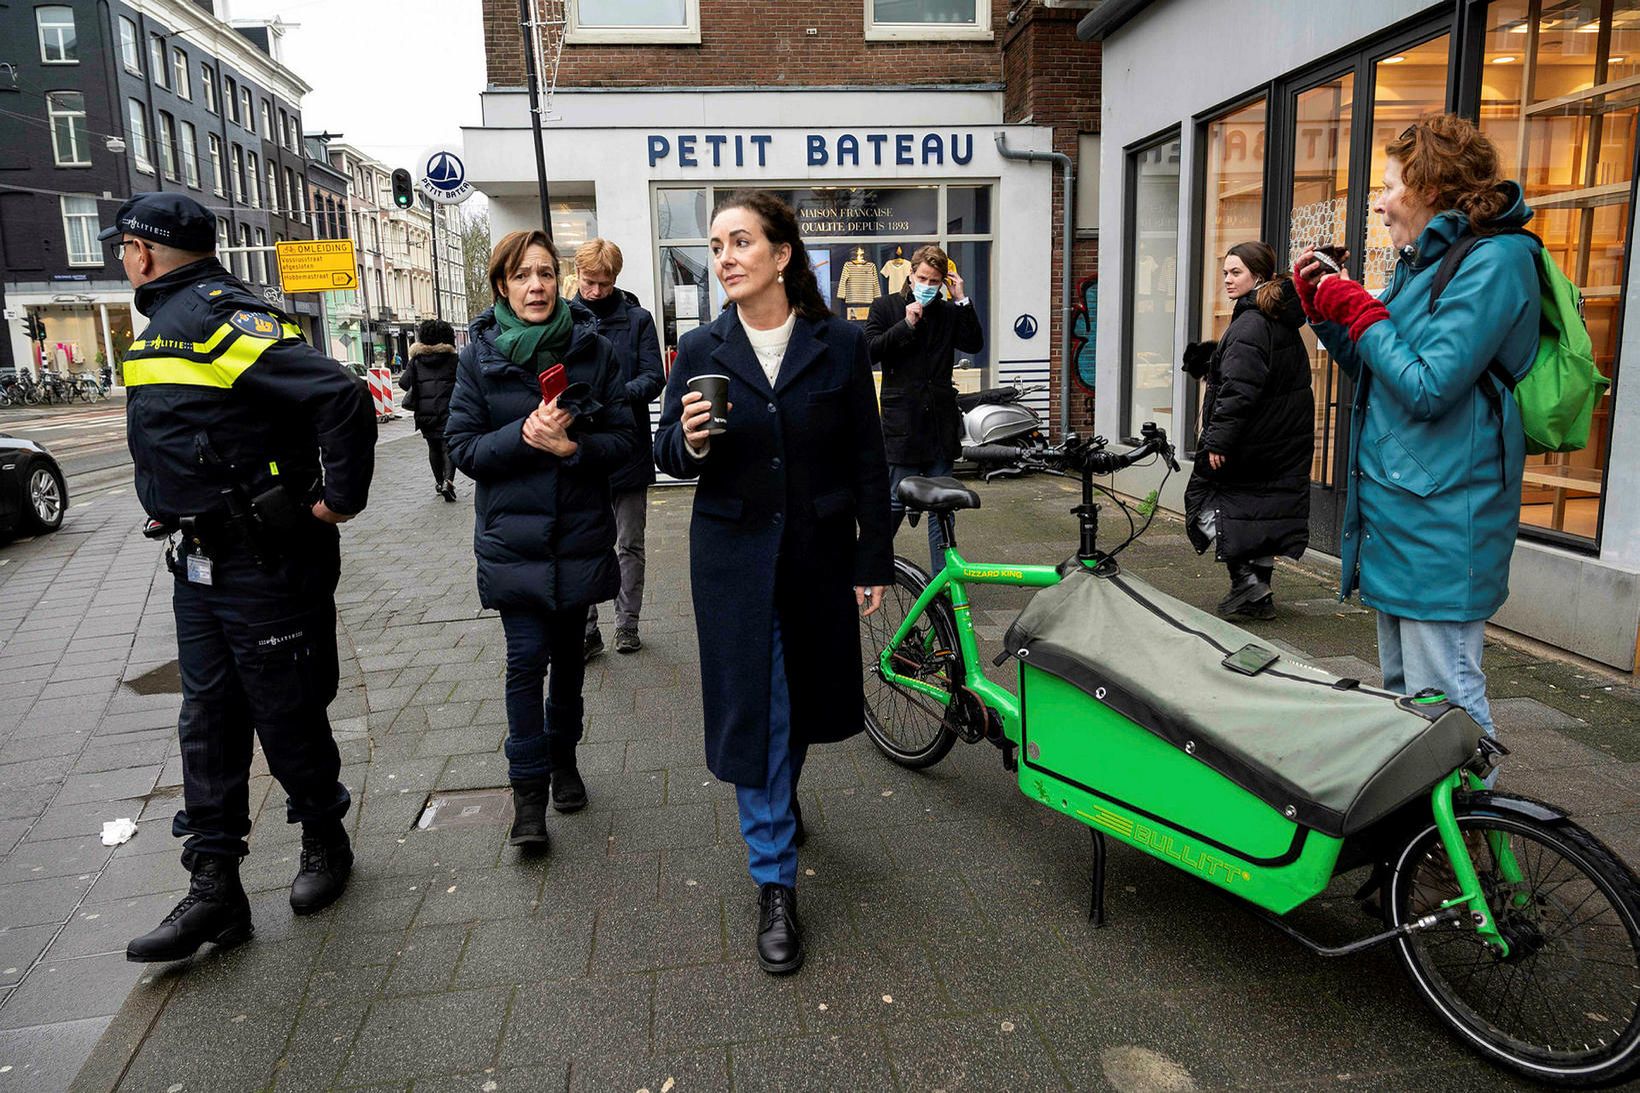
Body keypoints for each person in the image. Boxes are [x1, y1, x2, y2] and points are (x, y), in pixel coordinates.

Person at [106, 193, 377, 962]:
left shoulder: (220, 315)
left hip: (260, 559)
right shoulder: (166, 322)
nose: (122, 258)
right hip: (198, 560)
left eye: (124, 246)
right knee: (208, 719)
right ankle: (215, 887)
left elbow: (340, 395)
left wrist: (336, 500)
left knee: (284, 709)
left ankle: (325, 838)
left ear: (146, 251)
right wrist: (170, 501)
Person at [654, 190, 892, 976]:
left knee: (803, 700)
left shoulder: (838, 344)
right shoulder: (699, 348)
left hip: (818, 554)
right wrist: (685, 445)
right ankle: (775, 882)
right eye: (716, 244)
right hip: (732, 560)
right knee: (760, 708)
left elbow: (868, 459)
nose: (723, 256)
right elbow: (666, 452)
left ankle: (777, 811)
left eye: (740, 241)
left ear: (782, 254)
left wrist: (872, 556)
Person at [1295, 112, 1540, 741]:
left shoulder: (1495, 261)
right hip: (1402, 517)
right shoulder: (1428, 261)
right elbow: (1380, 371)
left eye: (1387, 187)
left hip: (1443, 520)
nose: (1377, 203)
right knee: (1409, 711)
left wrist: (1361, 310)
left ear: (1430, 187)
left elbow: (1428, 386)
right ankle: (1428, 837)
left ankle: (1480, 833)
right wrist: (1327, 311)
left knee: (1449, 708)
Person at [446, 229, 636, 848]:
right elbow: (462, 449)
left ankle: (565, 761)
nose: (536, 285)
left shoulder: (593, 350)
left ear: (560, 281)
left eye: (546, 274)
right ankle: (527, 797)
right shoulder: (479, 357)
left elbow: (626, 442)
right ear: (502, 284)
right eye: (523, 275)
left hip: (578, 536)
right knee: (525, 661)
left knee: (570, 669)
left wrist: (573, 448)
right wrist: (522, 437)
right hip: (513, 544)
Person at [1180, 242, 1313, 619]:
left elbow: (1240, 390)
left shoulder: (1251, 323)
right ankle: (1260, 598)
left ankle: (1247, 583)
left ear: (1259, 276)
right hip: (1278, 440)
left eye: (1236, 272)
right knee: (1259, 514)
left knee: (1204, 503)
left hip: (1251, 441)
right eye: (1225, 272)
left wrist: (1218, 440)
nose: (1227, 279)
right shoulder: (1276, 317)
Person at [864, 244, 984, 573]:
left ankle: (941, 581)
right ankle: (868, 568)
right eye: (922, 278)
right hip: (902, 424)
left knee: (941, 508)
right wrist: (905, 325)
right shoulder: (885, 306)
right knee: (892, 503)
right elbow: (868, 351)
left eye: (935, 281)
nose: (928, 285)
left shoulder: (948, 311)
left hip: (939, 427)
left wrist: (961, 299)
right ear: (911, 274)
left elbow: (973, 343)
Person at [572, 239, 665, 659]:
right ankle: (587, 630)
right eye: (589, 283)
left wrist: (614, 397)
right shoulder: (562, 319)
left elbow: (653, 377)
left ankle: (627, 625)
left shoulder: (639, 320)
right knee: (584, 542)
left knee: (629, 543)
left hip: (627, 445)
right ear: (577, 275)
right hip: (581, 449)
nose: (595, 292)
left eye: (603, 284)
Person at [400, 319, 460, 501]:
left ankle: (438, 481)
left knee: (433, 448)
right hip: (449, 411)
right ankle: (448, 481)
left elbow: (403, 383)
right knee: (448, 447)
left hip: (425, 414)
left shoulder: (416, 361)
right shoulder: (453, 360)